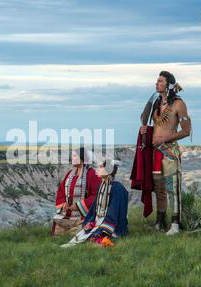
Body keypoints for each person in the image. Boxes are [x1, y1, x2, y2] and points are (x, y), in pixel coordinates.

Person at [139, 71, 192, 235]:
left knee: (172, 188)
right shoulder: (156, 103)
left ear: (168, 85)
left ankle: (175, 225)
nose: (157, 84)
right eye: (157, 81)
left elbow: (186, 131)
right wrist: (145, 130)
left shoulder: (178, 104)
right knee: (159, 189)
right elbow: (153, 125)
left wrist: (165, 138)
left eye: (160, 81)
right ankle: (160, 222)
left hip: (169, 152)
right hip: (156, 153)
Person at [61, 159, 128, 248]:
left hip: (113, 223)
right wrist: (91, 221)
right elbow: (94, 209)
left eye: (101, 167)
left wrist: (104, 226)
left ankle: (103, 234)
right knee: (85, 232)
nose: (97, 170)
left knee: (95, 236)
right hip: (99, 220)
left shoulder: (117, 189)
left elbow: (114, 211)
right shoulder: (102, 186)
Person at [52, 147, 101, 236]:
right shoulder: (70, 174)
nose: (72, 158)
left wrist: (79, 205)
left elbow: (96, 196)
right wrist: (64, 204)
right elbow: (61, 191)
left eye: (74, 156)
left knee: (79, 230)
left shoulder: (92, 175)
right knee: (58, 226)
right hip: (68, 212)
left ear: (82, 159)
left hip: (83, 214)